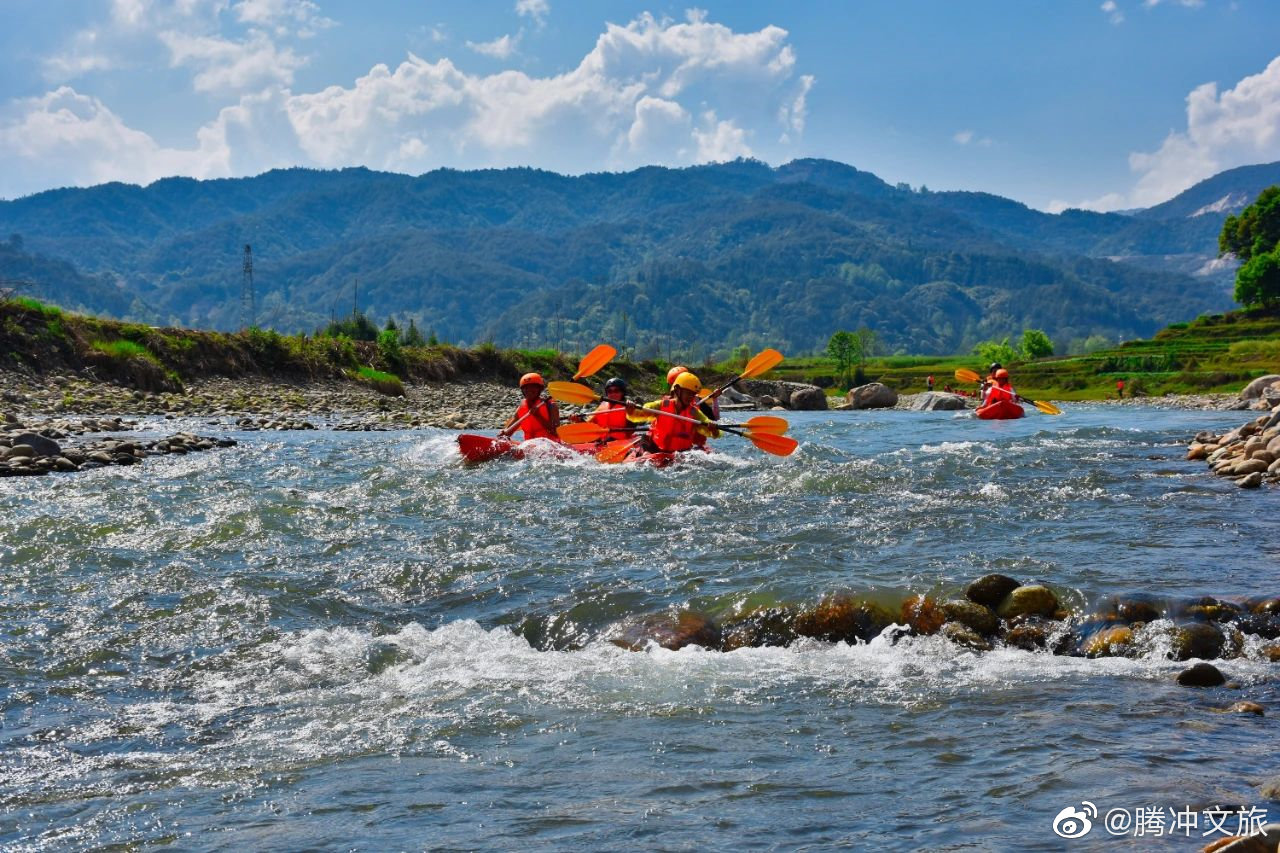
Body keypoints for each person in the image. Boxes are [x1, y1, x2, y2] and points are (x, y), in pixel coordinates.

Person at [627, 371, 720, 453]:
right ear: (677, 390)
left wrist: (713, 429)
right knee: (645, 447)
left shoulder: (694, 413)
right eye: (688, 393)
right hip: (657, 449)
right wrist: (631, 410)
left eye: (693, 394)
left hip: (680, 454)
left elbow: (712, 430)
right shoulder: (660, 405)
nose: (691, 397)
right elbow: (640, 413)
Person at [666, 364, 720, 446]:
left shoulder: (697, 404)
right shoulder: (665, 403)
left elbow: (715, 419)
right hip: (670, 444)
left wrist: (715, 399)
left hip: (694, 445)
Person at [500, 372, 560, 440]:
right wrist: (504, 433)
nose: (529, 390)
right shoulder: (521, 408)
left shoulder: (551, 406)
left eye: (533, 387)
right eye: (526, 388)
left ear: (540, 389)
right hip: (528, 446)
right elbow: (508, 432)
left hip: (548, 445)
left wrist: (538, 416)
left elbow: (555, 432)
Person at [590, 377, 633, 441]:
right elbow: (589, 425)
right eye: (610, 391)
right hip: (601, 441)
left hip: (619, 442)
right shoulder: (602, 406)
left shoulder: (628, 406)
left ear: (622, 392)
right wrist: (579, 420)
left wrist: (630, 414)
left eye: (616, 391)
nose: (613, 394)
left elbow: (631, 430)